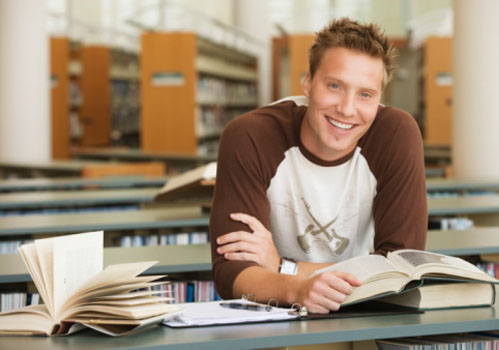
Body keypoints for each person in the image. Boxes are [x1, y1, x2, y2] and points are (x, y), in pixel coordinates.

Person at [209, 17, 427, 314]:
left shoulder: (396, 135)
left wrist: (283, 267)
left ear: (379, 98)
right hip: (276, 314)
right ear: (308, 83)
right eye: (335, 86)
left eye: (365, 94)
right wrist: (298, 290)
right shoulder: (250, 137)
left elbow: (402, 272)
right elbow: (231, 273)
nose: (348, 109)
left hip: (367, 313)